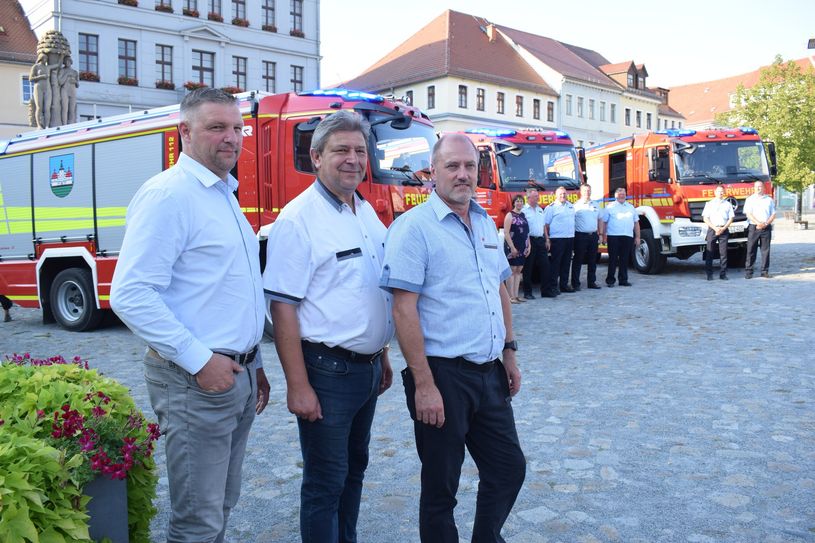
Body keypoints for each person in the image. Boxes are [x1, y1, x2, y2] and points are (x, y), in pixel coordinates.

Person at [110, 88, 270, 543]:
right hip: (195, 379)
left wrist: (253, 362)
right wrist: (201, 361)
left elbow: (224, 291)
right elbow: (131, 293)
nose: (231, 138)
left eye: (237, 128)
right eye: (216, 127)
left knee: (219, 505)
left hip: (234, 372)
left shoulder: (223, 194)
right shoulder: (169, 195)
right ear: (184, 132)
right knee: (196, 521)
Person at [381, 134, 526, 543]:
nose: (462, 174)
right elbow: (402, 309)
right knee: (441, 488)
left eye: (469, 166)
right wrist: (423, 384)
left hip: (488, 372)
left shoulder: (482, 222)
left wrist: (509, 352)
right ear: (432, 172)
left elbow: (500, 288)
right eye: (452, 166)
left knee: (508, 467)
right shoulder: (412, 229)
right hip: (442, 375)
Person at [263, 110, 393, 543]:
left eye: (359, 150)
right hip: (327, 373)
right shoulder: (298, 220)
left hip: (367, 369)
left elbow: (372, 288)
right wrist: (297, 386)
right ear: (316, 157)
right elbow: (282, 307)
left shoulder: (365, 211)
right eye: (341, 150)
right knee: (325, 483)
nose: (353, 159)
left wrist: (384, 354)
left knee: (355, 471)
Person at [521, 185, 555, 299]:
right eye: (535, 196)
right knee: (528, 267)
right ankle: (527, 292)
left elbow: (543, 225)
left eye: (537, 196)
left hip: (540, 240)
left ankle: (546, 291)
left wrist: (547, 239)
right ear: (528, 198)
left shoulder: (540, 209)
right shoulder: (523, 211)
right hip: (529, 240)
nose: (538, 198)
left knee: (546, 266)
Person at [602, 187, 640, 287]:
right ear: (615, 196)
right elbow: (604, 222)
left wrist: (638, 237)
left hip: (627, 236)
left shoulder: (631, 207)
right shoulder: (610, 207)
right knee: (613, 259)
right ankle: (610, 280)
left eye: (623, 193)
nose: (621, 195)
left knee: (624, 259)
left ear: (626, 195)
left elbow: (636, 223)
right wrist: (604, 235)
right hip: (613, 236)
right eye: (619, 194)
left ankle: (623, 280)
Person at [543, 186, 576, 293]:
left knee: (567, 262)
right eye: (560, 194)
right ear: (556, 195)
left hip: (569, 238)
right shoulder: (551, 208)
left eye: (564, 194)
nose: (563, 196)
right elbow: (546, 225)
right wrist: (547, 238)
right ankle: (553, 285)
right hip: (557, 239)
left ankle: (564, 285)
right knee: (556, 263)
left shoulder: (571, 206)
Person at [570, 183, 603, 290]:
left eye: (589, 190)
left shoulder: (596, 204)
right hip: (580, 236)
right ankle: (575, 283)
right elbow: (571, 221)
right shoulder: (575, 206)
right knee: (578, 260)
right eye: (585, 191)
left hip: (593, 236)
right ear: (581, 192)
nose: (587, 193)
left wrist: (601, 234)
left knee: (593, 260)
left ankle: (591, 282)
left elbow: (600, 219)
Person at [743, 181, 776, 279]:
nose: (758, 188)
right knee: (751, 250)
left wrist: (765, 223)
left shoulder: (769, 200)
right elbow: (748, 214)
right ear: (754, 188)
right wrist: (758, 223)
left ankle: (764, 271)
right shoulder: (749, 199)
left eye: (760, 186)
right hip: (754, 227)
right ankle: (749, 272)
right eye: (756, 187)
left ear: (763, 188)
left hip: (766, 227)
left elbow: (773, 214)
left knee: (765, 250)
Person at [702, 184, 735, 280]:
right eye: (718, 191)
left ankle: (723, 274)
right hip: (713, 229)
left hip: (724, 229)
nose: (720, 193)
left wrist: (723, 228)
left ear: (724, 193)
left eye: (722, 191)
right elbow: (705, 218)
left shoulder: (728, 204)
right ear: (715, 193)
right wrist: (715, 228)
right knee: (710, 252)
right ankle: (709, 274)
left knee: (723, 253)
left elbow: (731, 218)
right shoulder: (709, 204)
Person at [503, 194, 530, 303]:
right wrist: (512, 247)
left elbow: (527, 232)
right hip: (512, 246)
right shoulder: (510, 215)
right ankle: (510, 297)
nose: (519, 203)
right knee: (512, 270)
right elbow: (506, 232)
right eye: (517, 201)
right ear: (514, 203)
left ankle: (516, 295)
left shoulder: (523, 215)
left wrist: (529, 246)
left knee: (519, 270)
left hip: (522, 246)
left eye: (521, 201)